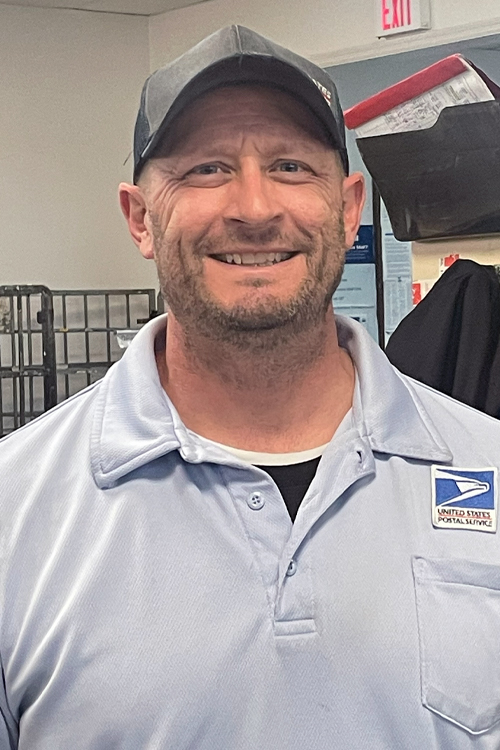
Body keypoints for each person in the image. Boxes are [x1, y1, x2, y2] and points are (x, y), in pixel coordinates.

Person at [1, 25, 500, 750]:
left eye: (293, 166)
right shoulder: (17, 511)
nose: (255, 208)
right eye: (205, 170)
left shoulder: (488, 464)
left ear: (349, 206)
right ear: (140, 219)